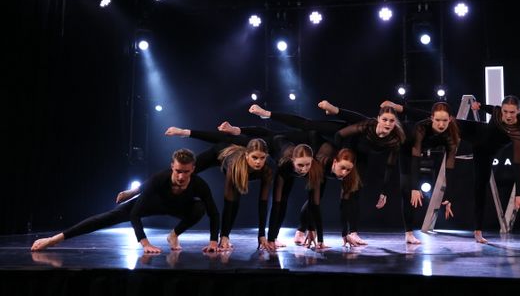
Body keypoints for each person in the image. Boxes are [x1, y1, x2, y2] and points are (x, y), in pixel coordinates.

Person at [250, 102, 405, 245]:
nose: (388, 124)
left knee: (351, 193)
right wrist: (339, 155)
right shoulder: (366, 125)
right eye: (385, 119)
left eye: (392, 121)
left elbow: (390, 165)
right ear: (378, 119)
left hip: (355, 157)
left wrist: (384, 191)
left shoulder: (395, 138)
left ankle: (350, 232)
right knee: (308, 126)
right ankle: (268, 113)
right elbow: (343, 131)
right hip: (340, 143)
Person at [31, 148, 219, 253]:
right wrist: (145, 244)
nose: (181, 176)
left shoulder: (199, 185)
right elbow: (136, 214)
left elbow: (214, 213)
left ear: (193, 169)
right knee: (108, 217)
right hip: (153, 203)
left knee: (200, 208)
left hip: (179, 207)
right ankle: (54, 239)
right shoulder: (159, 179)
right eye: (178, 171)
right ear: (172, 167)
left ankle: (174, 235)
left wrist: (213, 242)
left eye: (186, 172)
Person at [122, 130, 273, 251]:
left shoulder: (267, 170)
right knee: (179, 171)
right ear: (247, 155)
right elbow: (229, 203)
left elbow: (263, 203)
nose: (258, 162)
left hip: (234, 161)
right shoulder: (235, 165)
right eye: (255, 157)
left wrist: (262, 235)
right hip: (217, 154)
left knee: (235, 199)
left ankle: (173, 235)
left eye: (262, 158)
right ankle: (135, 192)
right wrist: (224, 237)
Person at [381, 100, 460, 244]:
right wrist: (415, 187)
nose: (441, 125)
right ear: (432, 118)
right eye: (437, 120)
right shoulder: (421, 127)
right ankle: (409, 233)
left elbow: (449, 167)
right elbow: (415, 157)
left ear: (450, 119)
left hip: (422, 151)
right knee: (407, 191)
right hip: (406, 149)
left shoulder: (451, 133)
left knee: (413, 190)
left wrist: (449, 196)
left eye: (444, 120)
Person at [463, 95, 520, 244]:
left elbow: (517, 163)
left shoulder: (518, 131)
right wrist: (479, 106)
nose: (508, 116)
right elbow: (491, 109)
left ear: (518, 111)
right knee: (446, 122)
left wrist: (519, 194)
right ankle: (407, 111)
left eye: (512, 112)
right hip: (476, 134)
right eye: (505, 111)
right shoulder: (498, 111)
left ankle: (478, 231)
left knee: (480, 189)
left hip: (485, 154)